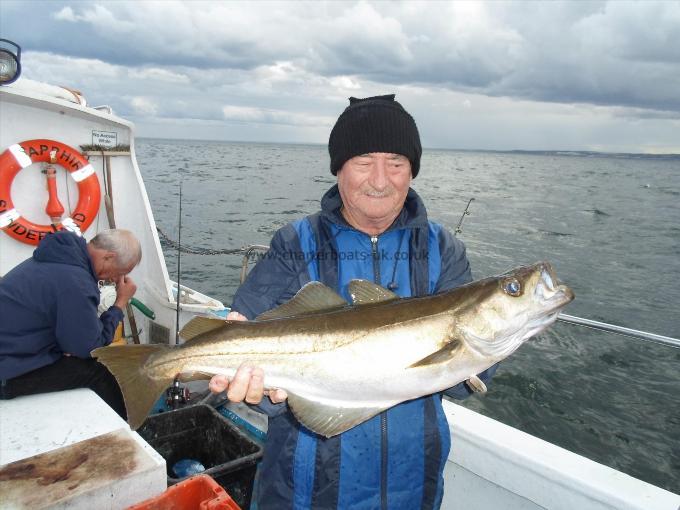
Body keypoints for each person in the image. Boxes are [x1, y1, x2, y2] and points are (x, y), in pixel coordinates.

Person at [210, 95, 497, 509]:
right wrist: (260, 393)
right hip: (304, 490)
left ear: (412, 170)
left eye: (396, 163)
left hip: (413, 485)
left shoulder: (442, 247)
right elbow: (246, 341)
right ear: (339, 169)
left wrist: (495, 343)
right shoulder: (295, 244)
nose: (380, 180)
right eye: (364, 162)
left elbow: (462, 385)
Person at [0, 228, 140, 418]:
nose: (115, 280)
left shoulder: (61, 256)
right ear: (108, 257)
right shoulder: (76, 282)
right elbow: (91, 349)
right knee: (103, 370)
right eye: (120, 272)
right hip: (8, 371)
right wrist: (120, 303)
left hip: (14, 351)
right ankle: (131, 428)